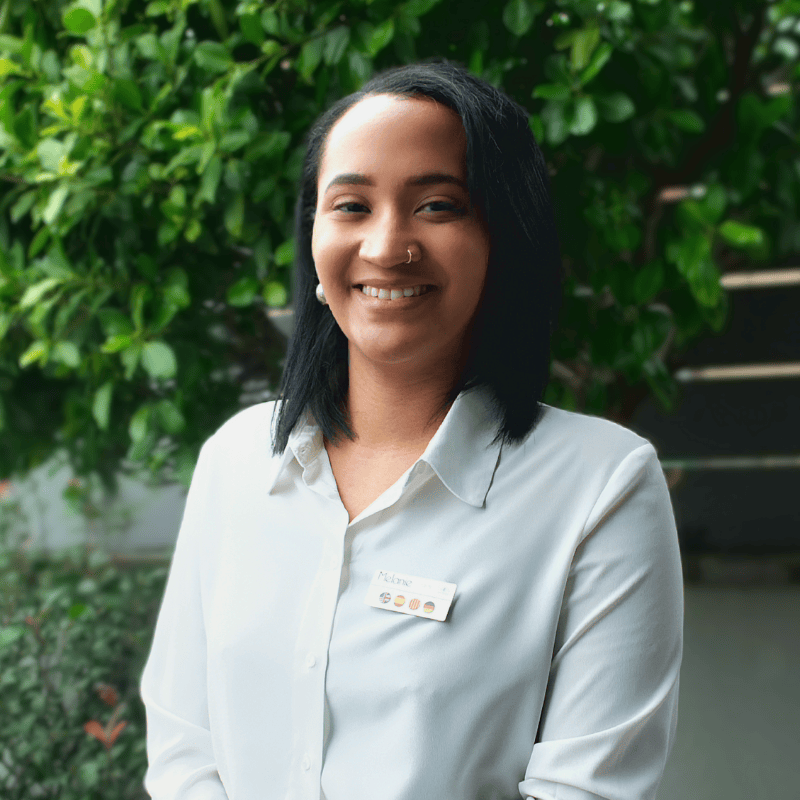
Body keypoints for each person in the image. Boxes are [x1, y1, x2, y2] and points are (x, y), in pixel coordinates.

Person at [140, 60, 683, 800]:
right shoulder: (235, 459)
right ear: (313, 235)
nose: (387, 245)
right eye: (352, 205)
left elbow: (587, 790)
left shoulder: (602, 485)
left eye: (437, 206)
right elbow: (183, 746)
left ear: (504, 234)